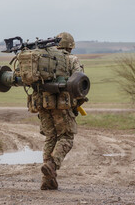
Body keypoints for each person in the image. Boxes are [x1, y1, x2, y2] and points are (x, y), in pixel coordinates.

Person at [35, 32, 84, 190]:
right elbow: (80, 82)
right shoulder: (71, 59)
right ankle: (51, 164)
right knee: (66, 137)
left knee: (51, 137)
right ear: (70, 46)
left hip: (41, 103)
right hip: (62, 105)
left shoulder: (44, 59)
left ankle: (47, 180)